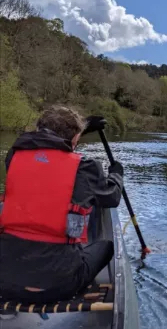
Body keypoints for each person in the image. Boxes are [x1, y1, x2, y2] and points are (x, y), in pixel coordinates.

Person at [0, 106, 124, 305]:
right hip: (58, 285)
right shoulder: (86, 168)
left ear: (39, 128)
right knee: (106, 247)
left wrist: (80, 129)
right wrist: (117, 174)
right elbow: (112, 197)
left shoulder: (13, 157)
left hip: (4, 281)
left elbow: (44, 162)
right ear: (75, 138)